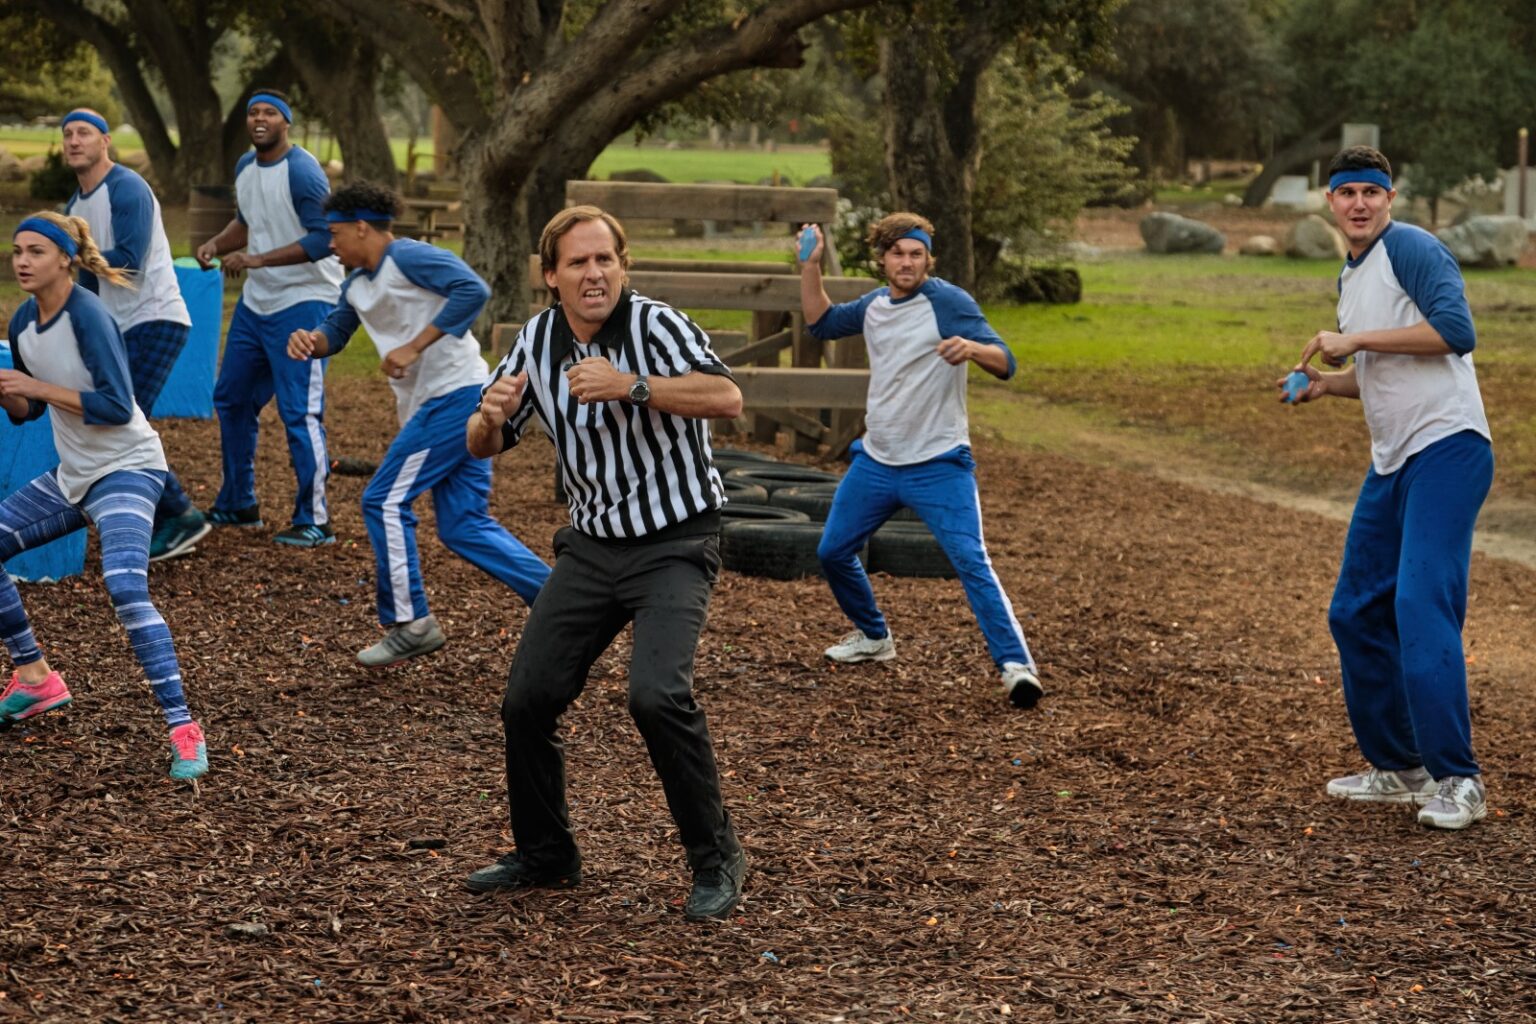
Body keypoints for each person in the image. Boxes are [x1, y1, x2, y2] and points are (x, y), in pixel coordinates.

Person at [464, 206, 746, 920]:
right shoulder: (536, 341)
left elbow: (728, 397)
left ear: (623, 266)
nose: (595, 274)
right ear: (550, 276)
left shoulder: (656, 327)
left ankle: (718, 858)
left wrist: (632, 385)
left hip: (676, 542)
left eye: (606, 260)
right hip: (590, 547)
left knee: (657, 696)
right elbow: (482, 445)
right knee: (526, 701)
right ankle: (547, 854)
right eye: (579, 263)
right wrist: (489, 416)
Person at [1283, 146, 1493, 831]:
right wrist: (1329, 382)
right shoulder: (1352, 274)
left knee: (1418, 602)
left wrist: (1356, 340)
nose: (1360, 204)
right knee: (1353, 612)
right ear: (1330, 203)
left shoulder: (1413, 248)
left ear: (1390, 197)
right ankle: (1400, 766)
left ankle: (1459, 779)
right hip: (1394, 461)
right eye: (1347, 193)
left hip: (1449, 449)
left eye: (1372, 192)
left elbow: (1456, 333)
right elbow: (1382, 368)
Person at [286, 181, 551, 665]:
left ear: (362, 228)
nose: (331, 243)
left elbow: (473, 289)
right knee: (462, 525)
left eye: (336, 232)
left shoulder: (407, 257)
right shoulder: (356, 284)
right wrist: (311, 341)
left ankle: (412, 623)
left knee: (383, 500)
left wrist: (415, 345)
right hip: (434, 403)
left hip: (456, 395)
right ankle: (561, 601)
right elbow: (336, 331)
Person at [797, 213, 1042, 710]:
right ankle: (873, 636)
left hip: (939, 463)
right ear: (882, 260)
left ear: (928, 257)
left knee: (971, 562)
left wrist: (972, 348)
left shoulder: (948, 302)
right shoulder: (874, 306)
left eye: (916, 253)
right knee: (832, 551)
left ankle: (1017, 667)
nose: (906, 262)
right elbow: (820, 322)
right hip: (878, 462)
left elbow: (1007, 361)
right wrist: (810, 265)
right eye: (897, 253)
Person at [0, 212, 207, 780]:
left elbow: (118, 406)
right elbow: (31, 412)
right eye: (18, 250)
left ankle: (184, 729)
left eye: (36, 251)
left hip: (128, 468)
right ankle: (36, 679)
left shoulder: (88, 316)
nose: (22, 260)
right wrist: (9, 394)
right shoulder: (22, 322)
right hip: (74, 475)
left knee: (122, 582)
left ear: (65, 259)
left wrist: (34, 386)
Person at [60, 107, 210, 562]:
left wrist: (67, 254)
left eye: (84, 132)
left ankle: (179, 515)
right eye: (67, 134)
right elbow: (85, 285)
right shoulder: (74, 207)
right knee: (119, 423)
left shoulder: (127, 189)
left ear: (105, 141)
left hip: (155, 317)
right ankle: (156, 514)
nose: (73, 140)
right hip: (115, 328)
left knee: (125, 422)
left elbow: (128, 262)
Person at [196, 89, 343, 547]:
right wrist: (216, 244)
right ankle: (239, 503)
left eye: (270, 113)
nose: (260, 119)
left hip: (306, 300)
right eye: (253, 112)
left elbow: (325, 239)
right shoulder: (245, 166)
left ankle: (315, 520)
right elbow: (248, 220)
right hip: (258, 304)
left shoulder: (302, 172)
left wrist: (257, 261)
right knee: (232, 397)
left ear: (286, 122)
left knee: (299, 411)